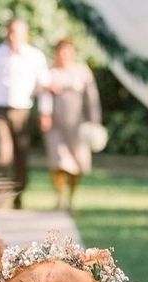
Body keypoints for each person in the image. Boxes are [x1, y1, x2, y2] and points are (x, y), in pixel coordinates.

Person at [0, 19, 50, 209]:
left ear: (25, 35)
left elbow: (44, 87)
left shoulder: (35, 56)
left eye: (17, 33)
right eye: (10, 32)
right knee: (3, 152)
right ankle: (0, 196)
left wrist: (45, 112)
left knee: (21, 154)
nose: (13, 37)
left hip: (22, 111)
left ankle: (19, 194)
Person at [39, 39, 102, 211]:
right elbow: (44, 96)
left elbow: (92, 98)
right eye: (61, 52)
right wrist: (44, 114)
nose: (64, 56)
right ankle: (59, 196)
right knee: (58, 161)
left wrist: (95, 120)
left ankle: (71, 198)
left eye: (68, 52)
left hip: (77, 124)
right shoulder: (50, 72)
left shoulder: (82, 71)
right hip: (56, 123)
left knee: (77, 162)